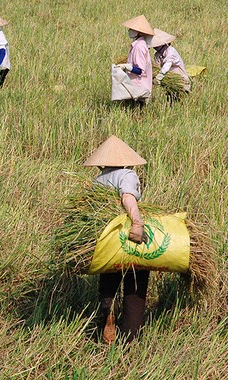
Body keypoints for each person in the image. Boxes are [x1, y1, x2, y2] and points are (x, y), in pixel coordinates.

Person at [83, 135, 149, 344]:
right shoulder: (127, 174)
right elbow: (127, 197)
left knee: (108, 280)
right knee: (135, 282)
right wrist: (137, 223)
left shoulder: (98, 180)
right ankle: (129, 336)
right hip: (127, 236)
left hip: (105, 238)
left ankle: (107, 314)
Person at [114, 15, 154, 104]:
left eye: (131, 29)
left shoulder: (139, 47)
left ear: (138, 32)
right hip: (136, 89)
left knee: (136, 114)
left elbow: (140, 70)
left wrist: (126, 66)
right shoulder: (137, 45)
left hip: (139, 89)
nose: (129, 31)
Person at [149, 28, 192, 93]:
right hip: (168, 82)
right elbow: (157, 67)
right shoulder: (157, 55)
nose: (154, 47)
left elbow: (167, 64)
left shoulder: (171, 51)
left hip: (180, 80)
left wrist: (160, 75)